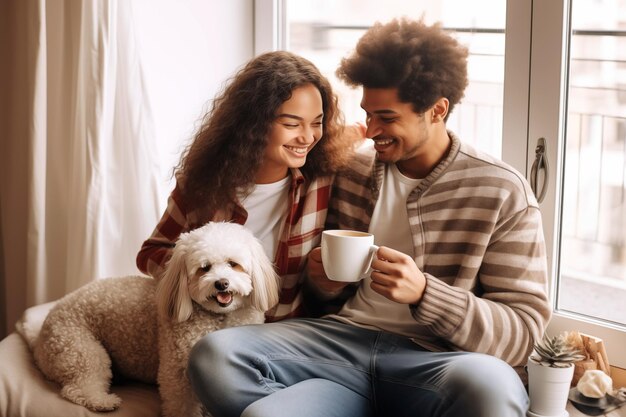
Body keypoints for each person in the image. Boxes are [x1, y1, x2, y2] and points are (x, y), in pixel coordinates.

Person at [187, 18, 552, 417]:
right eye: (368, 113)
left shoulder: (501, 190)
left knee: (493, 391)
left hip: (437, 361)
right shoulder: (352, 172)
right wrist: (321, 281)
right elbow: (319, 283)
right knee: (213, 356)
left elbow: (523, 333)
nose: (371, 129)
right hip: (340, 344)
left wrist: (425, 294)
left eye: (387, 118)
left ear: (437, 110)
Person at [136, 51, 351, 321]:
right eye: (291, 124)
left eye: (317, 123)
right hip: (216, 329)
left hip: (288, 328)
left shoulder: (321, 182)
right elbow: (150, 252)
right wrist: (195, 267)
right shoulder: (202, 184)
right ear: (254, 124)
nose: (307, 137)